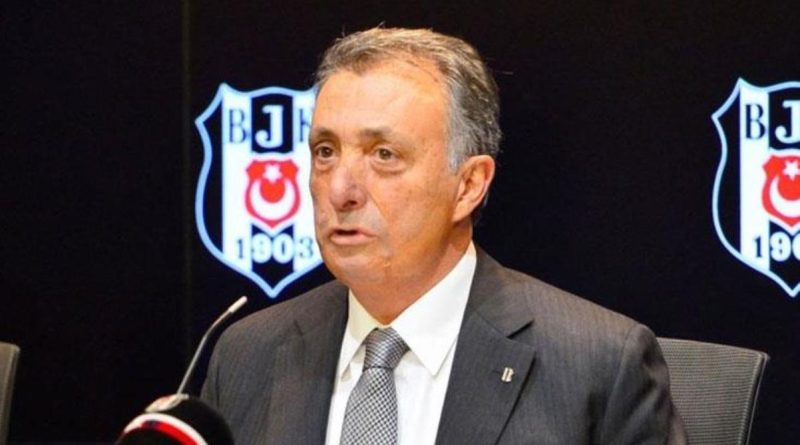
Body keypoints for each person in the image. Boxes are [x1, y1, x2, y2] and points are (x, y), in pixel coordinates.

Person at [202, 27, 687, 445]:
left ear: (469, 185)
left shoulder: (596, 365)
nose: (340, 189)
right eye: (326, 151)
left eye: (384, 154)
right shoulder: (247, 355)